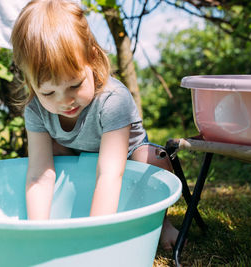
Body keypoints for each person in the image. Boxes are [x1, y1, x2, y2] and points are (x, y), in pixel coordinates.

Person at [10, 0, 178, 250]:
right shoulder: (36, 110)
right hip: (77, 157)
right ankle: (65, 215)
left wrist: (94, 241)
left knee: (154, 160)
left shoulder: (112, 99)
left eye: (75, 85)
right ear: (30, 82)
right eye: (47, 92)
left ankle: (157, 223)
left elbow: (110, 173)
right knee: (49, 156)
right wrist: (38, 234)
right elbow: (39, 175)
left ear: (93, 58)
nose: (64, 101)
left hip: (127, 161)